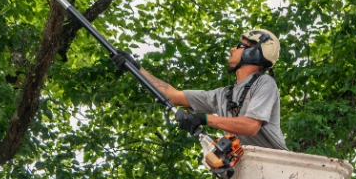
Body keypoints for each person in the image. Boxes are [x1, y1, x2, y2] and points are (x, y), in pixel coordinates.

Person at [111, 29, 287, 151]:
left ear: (253, 52)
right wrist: (135, 68)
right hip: (250, 167)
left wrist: (203, 118)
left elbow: (250, 126)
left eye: (240, 45)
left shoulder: (265, 83)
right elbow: (173, 95)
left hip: (279, 166)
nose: (233, 49)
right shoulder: (223, 95)